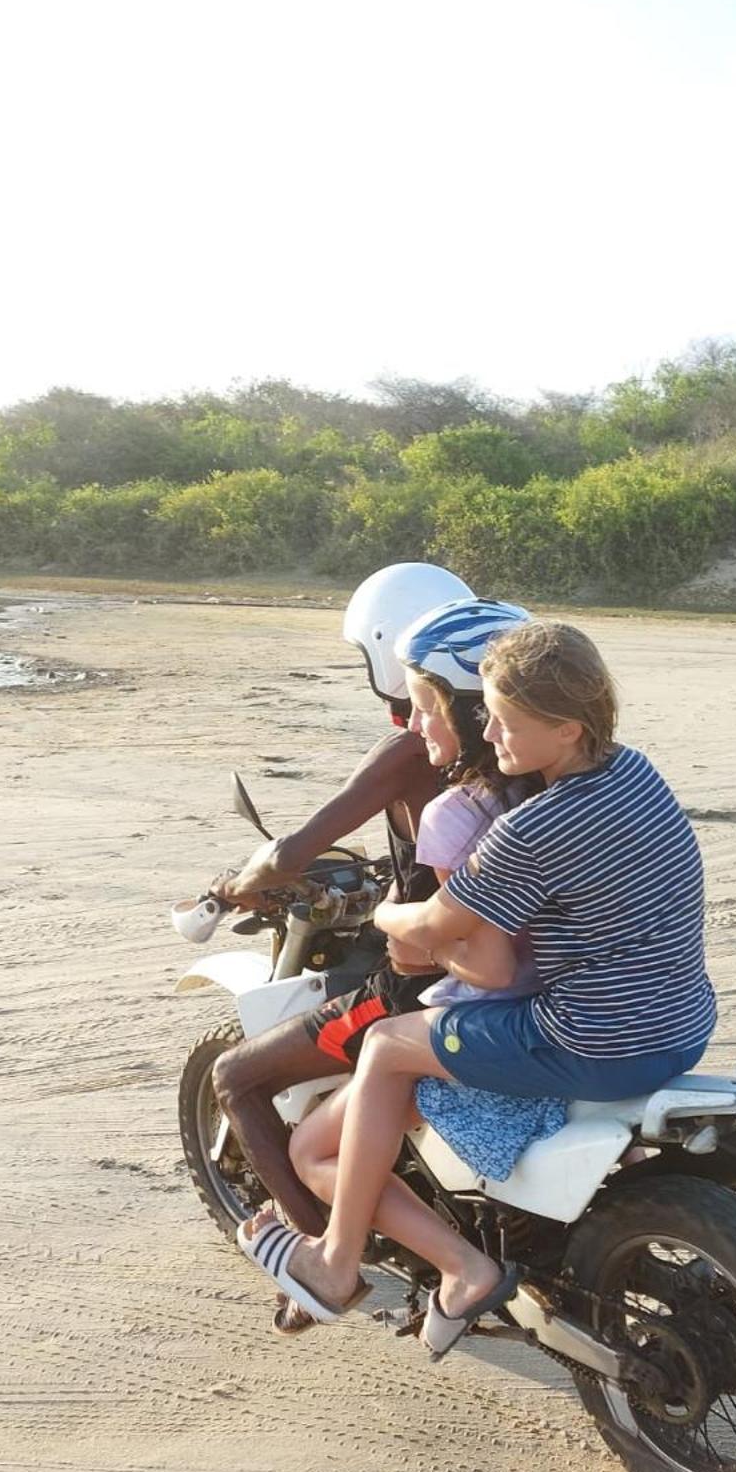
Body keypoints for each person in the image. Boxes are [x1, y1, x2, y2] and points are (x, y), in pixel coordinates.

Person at [236, 619, 717, 1358]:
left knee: (390, 1046)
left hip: (589, 1039)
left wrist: (379, 909)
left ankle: (338, 1264)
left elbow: (436, 930)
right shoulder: (637, 774)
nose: (488, 731)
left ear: (566, 728)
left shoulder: (534, 829)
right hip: (680, 1023)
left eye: (506, 719)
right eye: (486, 711)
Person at [207, 563, 498, 1324]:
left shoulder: (412, 751)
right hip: (521, 973)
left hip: (429, 981)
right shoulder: (524, 751)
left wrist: (243, 882)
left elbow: (293, 851)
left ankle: (321, 1258)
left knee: (238, 1078)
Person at [272, 599, 542, 1307]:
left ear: (475, 711)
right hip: (588, 1010)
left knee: (313, 1146)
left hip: (497, 1027)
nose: (414, 722)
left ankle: (430, 1264)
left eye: (425, 706)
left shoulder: (459, 812)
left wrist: (406, 928)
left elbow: (481, 965)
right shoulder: (574, 789)